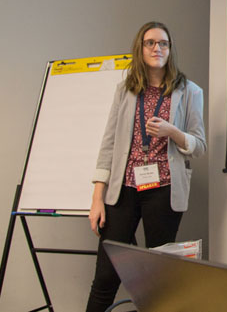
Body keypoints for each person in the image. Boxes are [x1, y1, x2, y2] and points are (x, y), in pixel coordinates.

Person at [86, 21, 206, 312]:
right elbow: (109, 143)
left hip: (163, 192)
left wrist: (172, 131)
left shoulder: (189, 91)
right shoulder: (126, 90)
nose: (157, 48)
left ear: (170, 50)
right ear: (140, 48)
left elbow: (199, 145)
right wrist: (96, 198)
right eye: (150, 42)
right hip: (123, 190)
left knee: (158, 279)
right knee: (105, 274)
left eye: (163, 43)